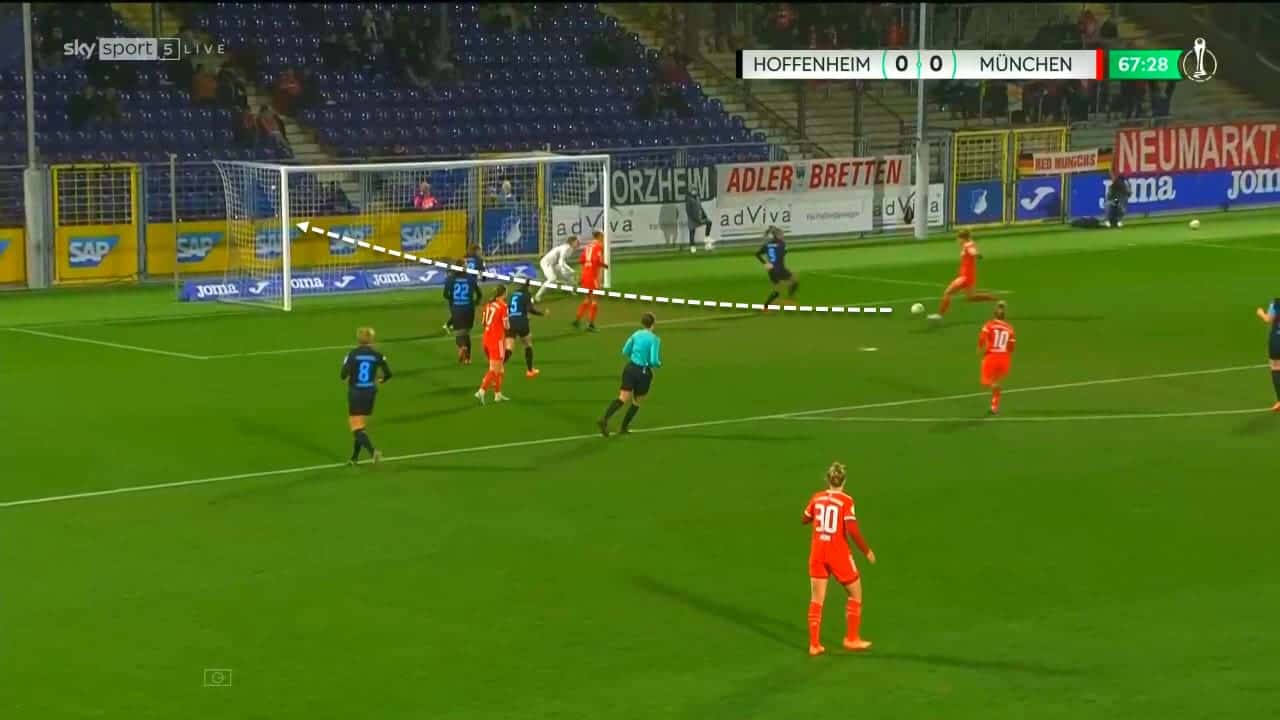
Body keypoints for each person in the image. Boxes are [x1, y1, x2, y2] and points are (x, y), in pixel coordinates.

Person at [802, 461, 876, 656]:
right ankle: (852, 638)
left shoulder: (817, 498)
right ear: (844, 481)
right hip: (838, 553)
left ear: (828, 479)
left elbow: (805, 518)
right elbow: (852, 529)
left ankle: (814, 645)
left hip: (818, 552)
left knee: (816, 599)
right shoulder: (846, 501)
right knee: (855, 593)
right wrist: (867, 551)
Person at [598, 313, 661, 437]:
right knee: (637, 402)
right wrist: (658, 363)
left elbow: (625, 350)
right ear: (653, 324)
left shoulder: (635, 334)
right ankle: (623, 428)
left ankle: (604, 419)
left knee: (622, 398)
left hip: (630, 368)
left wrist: (635, 357)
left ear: (642, 323)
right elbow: (654, 361)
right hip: (643, 372)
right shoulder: (654, 339)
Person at [340, 327, 392, 465]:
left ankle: (373, 451)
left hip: (356, 392)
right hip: (370, 392)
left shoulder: (352, 354)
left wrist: (348, 370)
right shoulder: (377, 355)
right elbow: (388, 374)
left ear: (359, 339)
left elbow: (343, 375)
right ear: (371, 340)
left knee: (356, 427)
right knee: (360, 425)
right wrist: (381, 379)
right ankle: (354, 458)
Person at [928, 230, 999, 322]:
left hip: (964, 277)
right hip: (970, 276)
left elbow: (973, 252)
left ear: (962, 238)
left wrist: (977, 254)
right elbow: (972, 250)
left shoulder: (967, 245)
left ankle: (939, 315)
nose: (957, 241)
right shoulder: (969, 244)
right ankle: (994, 299)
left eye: (958, 238)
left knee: (948, 293)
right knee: (971, 298)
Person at [978, 301, 1016, 415]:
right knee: (995, 380)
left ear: (994, 314)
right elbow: (1012, 347)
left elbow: (982, 339)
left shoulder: (989, 325)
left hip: (992, 357)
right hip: (1004, 359)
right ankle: (994, 406)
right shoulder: (1010, 328)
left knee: (986, 382)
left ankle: (995, 388)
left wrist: (980, 349)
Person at [475, 285, 511, 404]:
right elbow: (507, 326)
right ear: (504, 293)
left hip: (486, 339)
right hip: (497, 341)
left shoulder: (489, 305)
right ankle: (481, 391)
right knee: (494, 370)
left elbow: (484, 322)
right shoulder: (503, 306)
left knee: (500, 369)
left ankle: (498, 394)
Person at [443, 260, 482, 364]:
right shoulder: (471, 278)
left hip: (457, 308)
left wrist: (453, 301)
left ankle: (462, 346)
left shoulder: (450, 278)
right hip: (469, 308)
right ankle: (468, 359)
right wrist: (475, 302)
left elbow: (445, 294)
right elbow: (479, 294)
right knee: (466, 332)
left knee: (459, 333)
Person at [504, 284, 545, 378]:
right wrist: (541, 313)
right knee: (528, 345)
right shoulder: (526, 295)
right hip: (521, 322)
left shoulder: (512, 295)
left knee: (509, 348)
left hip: (511, 322)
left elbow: (508, 308)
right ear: (527, 287)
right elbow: (530, 309)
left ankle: (497, 368)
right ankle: (530, 371)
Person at [573, 231, 608, 332]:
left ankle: (577, 320)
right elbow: (596, 260)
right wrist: (604, 265)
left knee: (587, 299)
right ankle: (590, 324)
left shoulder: (588, 246)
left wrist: (581, 276)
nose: (603, 239)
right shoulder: (598, 246)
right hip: (592, 276)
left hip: (585, 275)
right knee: (594, 300)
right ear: (599, 236)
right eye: (602, 237)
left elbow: (582, 260)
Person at [756, 226, 798, 308]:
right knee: (794, 280)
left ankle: (765, 307)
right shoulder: (782, 244)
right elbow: (784, 252)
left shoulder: (767, 244)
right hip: (780, 269)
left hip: (771, 270)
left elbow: (757, 254)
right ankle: (790, 296)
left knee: (777, 290)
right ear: (777, 235)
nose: (783, 236)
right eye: (781, 234)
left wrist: (765, 263)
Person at [535, 235, 579, 302]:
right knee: (552, 278)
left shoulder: (571, 249)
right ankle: (538, 295)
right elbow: (561, 262)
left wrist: (569, 271)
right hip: (546, 263)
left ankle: (572, 291)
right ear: (572, 242)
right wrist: (570, 269)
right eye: (576, 241)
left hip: (554, 264)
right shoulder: (565, 248)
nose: (578, 242)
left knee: (568, 276)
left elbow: (562, 262)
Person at [1255, 299, 1280, 412]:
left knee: (1275, 368)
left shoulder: (1275, 303)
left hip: (1276, 341)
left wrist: (1260, 313)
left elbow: (1268, 319)